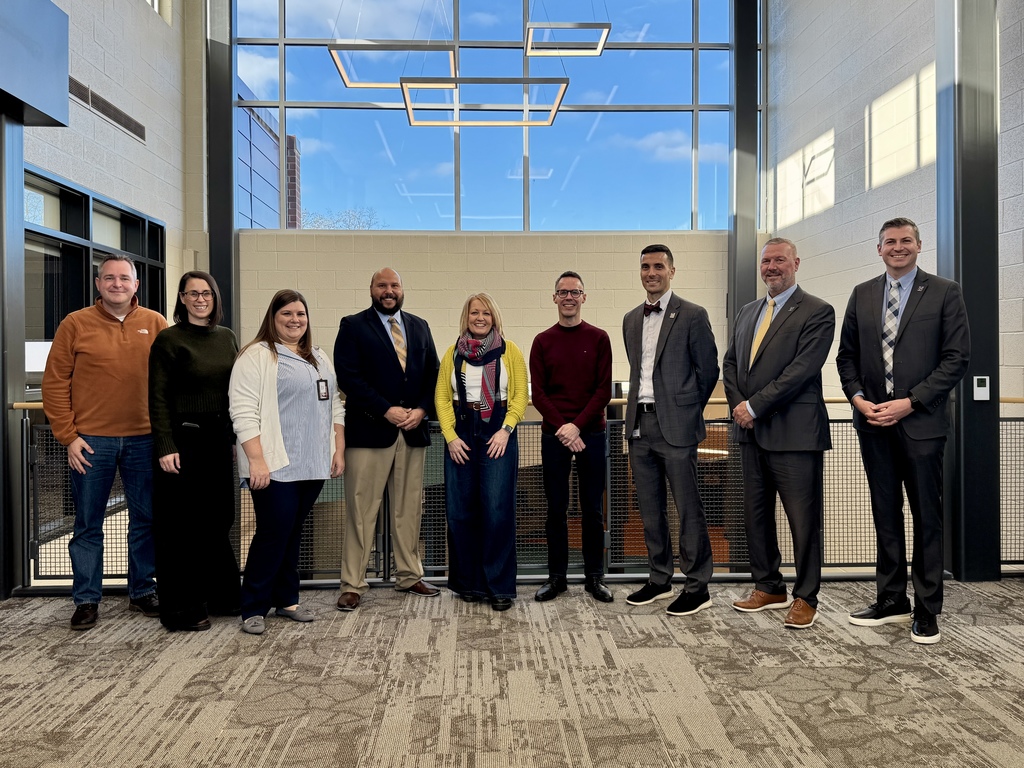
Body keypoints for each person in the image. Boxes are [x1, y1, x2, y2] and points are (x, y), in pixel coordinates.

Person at [836, 217, 970, 645]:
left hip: (922, 425)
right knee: (885, 516)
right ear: (878, 249)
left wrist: (909, 402)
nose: (898, 247)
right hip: (873, 423)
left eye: (905, 241)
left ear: (918, 245)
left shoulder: (945, 292)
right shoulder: (862, 294)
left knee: (926, 518)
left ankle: (927, 608)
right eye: (890, 242)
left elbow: (956, 359)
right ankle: (891, 599)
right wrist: (858, 398)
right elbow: (847, 358)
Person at [42, 254, 168, 631]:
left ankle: (142, 590)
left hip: (144, 438)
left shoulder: (156, 323)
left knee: (145, 519)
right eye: (109, 278)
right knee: (87, 523)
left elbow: (171, 381)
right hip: (90, 442)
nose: (117, 284)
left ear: (136, 285)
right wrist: (69, 436)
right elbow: (54, 384)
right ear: (98, 284)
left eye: (124, 278)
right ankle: (86, 600)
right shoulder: (75, 324)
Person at [723, 239, 835, 630]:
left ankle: (806, 596)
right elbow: (731, 363)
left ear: (796, 264)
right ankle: (769, 586)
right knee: (755, 515)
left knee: (803, 521)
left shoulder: (818, 311)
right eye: (766, 261)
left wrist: (753, 407)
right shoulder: (747, 312)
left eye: (780, 260)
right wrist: (740, 407)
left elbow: (802, 370)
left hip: (795, 434)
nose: (772, 267)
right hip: (750, 433)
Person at [229, 290, 345, 635]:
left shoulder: (318, 357)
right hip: (274, 463)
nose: (295, 320)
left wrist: (337, 450)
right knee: (272, 532)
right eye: (287, 315)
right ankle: (253, 605)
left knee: (292, 531)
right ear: (273, 318)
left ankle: (287, 600)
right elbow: (243, 413)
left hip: (313, 463)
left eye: (301, 314)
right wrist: (256, 462)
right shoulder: (256, 356)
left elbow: (336, 405)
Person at [334, 268, 440, 611]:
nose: (389, 290)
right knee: (361, 511)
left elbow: (434, 376)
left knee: (409, 509)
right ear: (371, 289)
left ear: (402, 289)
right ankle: (353, 583)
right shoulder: (352, 326)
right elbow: (349, 377)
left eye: (394, 285)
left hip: (412, 432)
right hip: (369, 432)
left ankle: (410, 575)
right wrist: (386, 410)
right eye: (382, 285)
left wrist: (422, 410)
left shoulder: (420, 326)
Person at [622, 244, 719, 616]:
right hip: (639, 425)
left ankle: (698, 586)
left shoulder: (693, 314)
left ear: (672, 271)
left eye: (658, 266)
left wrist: (685, 408)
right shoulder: (631, 318)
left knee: (688, 509)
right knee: (650, 510)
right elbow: (638, 370)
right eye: (645, 266)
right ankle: (659, 578)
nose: (651, 272)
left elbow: (708, 370)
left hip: (677, 426)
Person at [148, 271, 240, 632]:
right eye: (193, 293)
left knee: (218, 520)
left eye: (207, 293)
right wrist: (166, 444)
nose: (201, 299)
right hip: (183, 441)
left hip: (218, 439)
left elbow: (235, 392)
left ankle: (220, 596)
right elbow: (157, 397)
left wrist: (233, 440)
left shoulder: (227, 337)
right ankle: (181, 609)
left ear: (215, 298)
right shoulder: (168, 340)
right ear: (182, 298)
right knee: (180, 527)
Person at [435, 293, 528, 611]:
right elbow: (442, 397)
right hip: (461, 431)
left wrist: (506, 429)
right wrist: (449, 436)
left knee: (496, 510)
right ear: (466, 317)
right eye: (475, 312)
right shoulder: (453, 353)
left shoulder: (509, 350)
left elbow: (520, 395)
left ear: (494, 317)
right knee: (461, 511)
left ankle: (499, 587)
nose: (480, 317)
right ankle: (469, 584)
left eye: (486, 313)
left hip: (497, 430)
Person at [530, 271, 614, 603]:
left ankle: (594, 577)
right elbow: (540, 395)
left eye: (575, 292)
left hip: (591, 433)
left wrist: (576, 426)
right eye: (562, 292)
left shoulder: (599, 338)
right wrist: (564, 429)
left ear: (583, 297)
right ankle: (557, 578)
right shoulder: (542, 341)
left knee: (592, 509)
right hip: (555, 437)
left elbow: (603, 390)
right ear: (554, 298)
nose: (568, 297)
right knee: (556, 509)